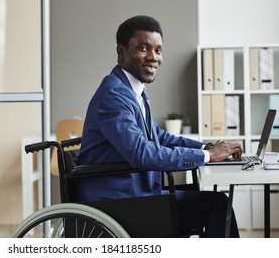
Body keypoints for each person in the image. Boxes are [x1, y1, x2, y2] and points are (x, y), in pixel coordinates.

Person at [77, 15, 242, 238]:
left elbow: (160, 138)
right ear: (121, 51)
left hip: (136, 194)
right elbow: (141, 153)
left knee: (216, 203)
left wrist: (207, 148)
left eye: (158, 50)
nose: (153, 58)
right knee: (217, 205)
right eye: (143, 48)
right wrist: (208, 156)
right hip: (119, 203)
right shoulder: (114, 95)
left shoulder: (134, 91)